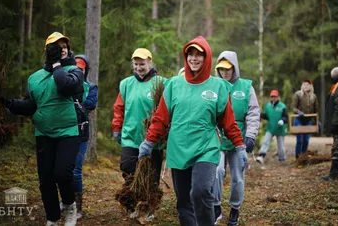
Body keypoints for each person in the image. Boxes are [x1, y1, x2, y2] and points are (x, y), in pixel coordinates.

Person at [138, 36, 247, 226]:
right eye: (190, 54)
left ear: (206, 58)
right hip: (179, 148)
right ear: (186, 57)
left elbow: (228, 121)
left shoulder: (218, 86)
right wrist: (149, 141)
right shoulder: (173, 85)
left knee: (201, 191)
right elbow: (161, 118)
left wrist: (239, 145)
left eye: (199, 55)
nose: (194, 58)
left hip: (206, 147)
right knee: (184, 203)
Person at [0, 32, 84, 226]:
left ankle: (70, 206)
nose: (62, 49)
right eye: (57, 47)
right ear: (47, 51)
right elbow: (31, 105)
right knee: (46, 179)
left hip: (68, 131)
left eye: (64, 46)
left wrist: (56, 65)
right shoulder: (35, 78)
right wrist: (10, 104)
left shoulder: (74, 70)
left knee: (62, 173)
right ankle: (52, 218)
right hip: (44, 133)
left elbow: (65, 87)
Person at [111, 48, 165, 203]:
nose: (139, 67)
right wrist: (117, 128)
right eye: (136, 64)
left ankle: (150, 203)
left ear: (150, 62)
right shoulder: (126, 84)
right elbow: (119, 108)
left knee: (152, 172)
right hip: (131, 135)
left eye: (142, 64)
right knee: (127, 167)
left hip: (153, 138)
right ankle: (132, 199)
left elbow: (166, 110)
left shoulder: (161, 83)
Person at [213, 51, 260, 225]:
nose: (224, 73)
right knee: (216, 171)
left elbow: (253, 112)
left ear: (234, 68)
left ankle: (235, 208)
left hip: (238, 139)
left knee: (237, 176)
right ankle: (216, 205)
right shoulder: (214, 85)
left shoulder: (246, 86)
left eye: (228, 69)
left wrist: (250, 136)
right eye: (221, 69)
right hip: (217, 138)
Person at [62, 54, 98, 219]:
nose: (78, 70)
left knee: (76, 170)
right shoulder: (63, 84)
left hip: (81, 133)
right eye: (76, 67)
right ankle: (66, 201)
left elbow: (90, 105)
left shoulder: (90, 86)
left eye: (81, 68)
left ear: (86, 70)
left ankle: (78, 207)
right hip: (63, 131)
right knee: (62, 170)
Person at [256, 89, 288, 164]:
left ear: (278, 97)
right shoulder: (268, 106)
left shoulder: (282, 106)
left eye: (275, 96)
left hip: (280, 128)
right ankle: (261, 156)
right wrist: (259, 115)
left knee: (281, 145)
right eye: (272, 96)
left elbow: (286, 117)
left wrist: (283, 120)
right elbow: (267, 116)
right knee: (266, 142)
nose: (273, 98)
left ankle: (282, 158)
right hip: (270, 128)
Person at [292, 80, 319, 158]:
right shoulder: (298, 94)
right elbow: (293, 108)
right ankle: (298, 158)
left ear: (311, 86)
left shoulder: (314, 96)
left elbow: (316, 110)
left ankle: (303, 158)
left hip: (308, 121)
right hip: (299, 119)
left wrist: (317, 121)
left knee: (306, 141)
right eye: (304, 84)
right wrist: (299, 112)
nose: (305, 86)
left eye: (307, 84)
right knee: (300, 140)